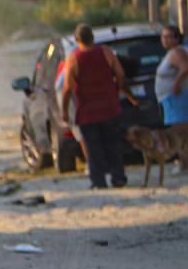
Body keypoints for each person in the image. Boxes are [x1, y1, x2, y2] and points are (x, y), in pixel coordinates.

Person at [59, 24, 138, 189]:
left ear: (77, 40)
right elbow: (121, 76)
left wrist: (64, 111)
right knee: (113, 145)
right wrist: (125, 94)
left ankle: (99, 182)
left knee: (93, 148)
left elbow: (67, 88)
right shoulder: (106, 52)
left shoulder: (73, 58)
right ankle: (119, 178)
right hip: (110, 108)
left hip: (87, 112)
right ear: (93, 38)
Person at [156, 24, 188, 172]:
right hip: (170, 99)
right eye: (163, 37)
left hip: (177, 99)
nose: (165, 40)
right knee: (178, 133)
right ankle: (183, 163)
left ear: (177, 38)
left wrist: (176, 84)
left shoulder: (177, 52)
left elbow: (185, 67)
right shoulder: (171, 52)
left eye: (169, 37)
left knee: (180, 133)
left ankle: (185, 165)